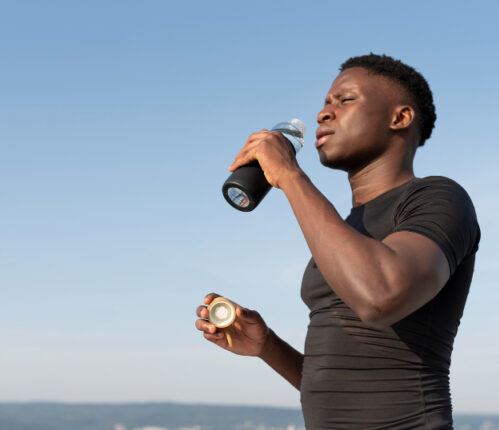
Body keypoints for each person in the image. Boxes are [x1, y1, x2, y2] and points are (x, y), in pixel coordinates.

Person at [195, 53, 480, 429]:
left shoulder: (438, 198)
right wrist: (267, 346)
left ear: (400, 118)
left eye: (345, 100)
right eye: (326, 103)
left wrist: (290, 175)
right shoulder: (343, 229)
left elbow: (379, 294)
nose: (322, 114)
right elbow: (345, 387)